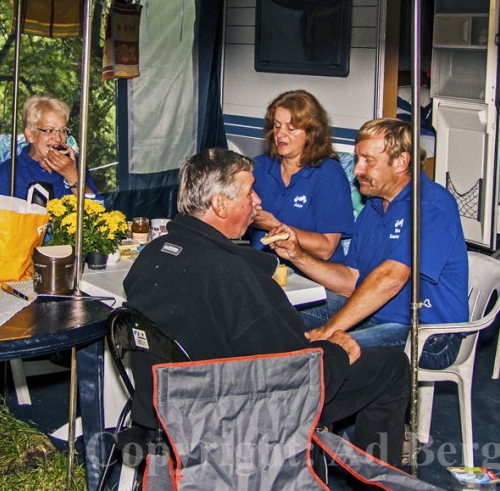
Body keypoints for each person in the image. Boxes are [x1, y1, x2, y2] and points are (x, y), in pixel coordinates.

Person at [124, 148, 409, 465]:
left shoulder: (151, 256)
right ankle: (374, 478)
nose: (258, 200)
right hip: (236, 417)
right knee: (393, 366)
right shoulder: (235, 278)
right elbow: (294, 376)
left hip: (163, 407)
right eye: (249, 191)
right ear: (220, 204)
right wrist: (339, 352)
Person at [271, 118, 469, 370]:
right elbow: (351, 281)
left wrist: (330, 329)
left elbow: (391, 278)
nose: (356, 170)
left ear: (401, 162)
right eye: (357, 159)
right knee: (274, 310)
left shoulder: (430, 206)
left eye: (368, 161)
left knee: (327, 353)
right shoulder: (374, 207)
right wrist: (297, 254)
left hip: (428, 334)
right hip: (376, 316)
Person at [251, 90, 354, 263]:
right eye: (277, 126)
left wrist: (275, 226)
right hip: (263, 268)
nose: (280, 134)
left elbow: (327, 248)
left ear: (311, 133)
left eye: (291, 128)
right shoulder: (259, 167)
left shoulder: (328, 174)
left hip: (310, 275)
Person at [0, 94, 98, 199]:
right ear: (30, 134)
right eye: (49, 130)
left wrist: (73, 177)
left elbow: (97, 213)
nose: (59, 138)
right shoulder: (9, 172)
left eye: (63, 130)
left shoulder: (75, 165)